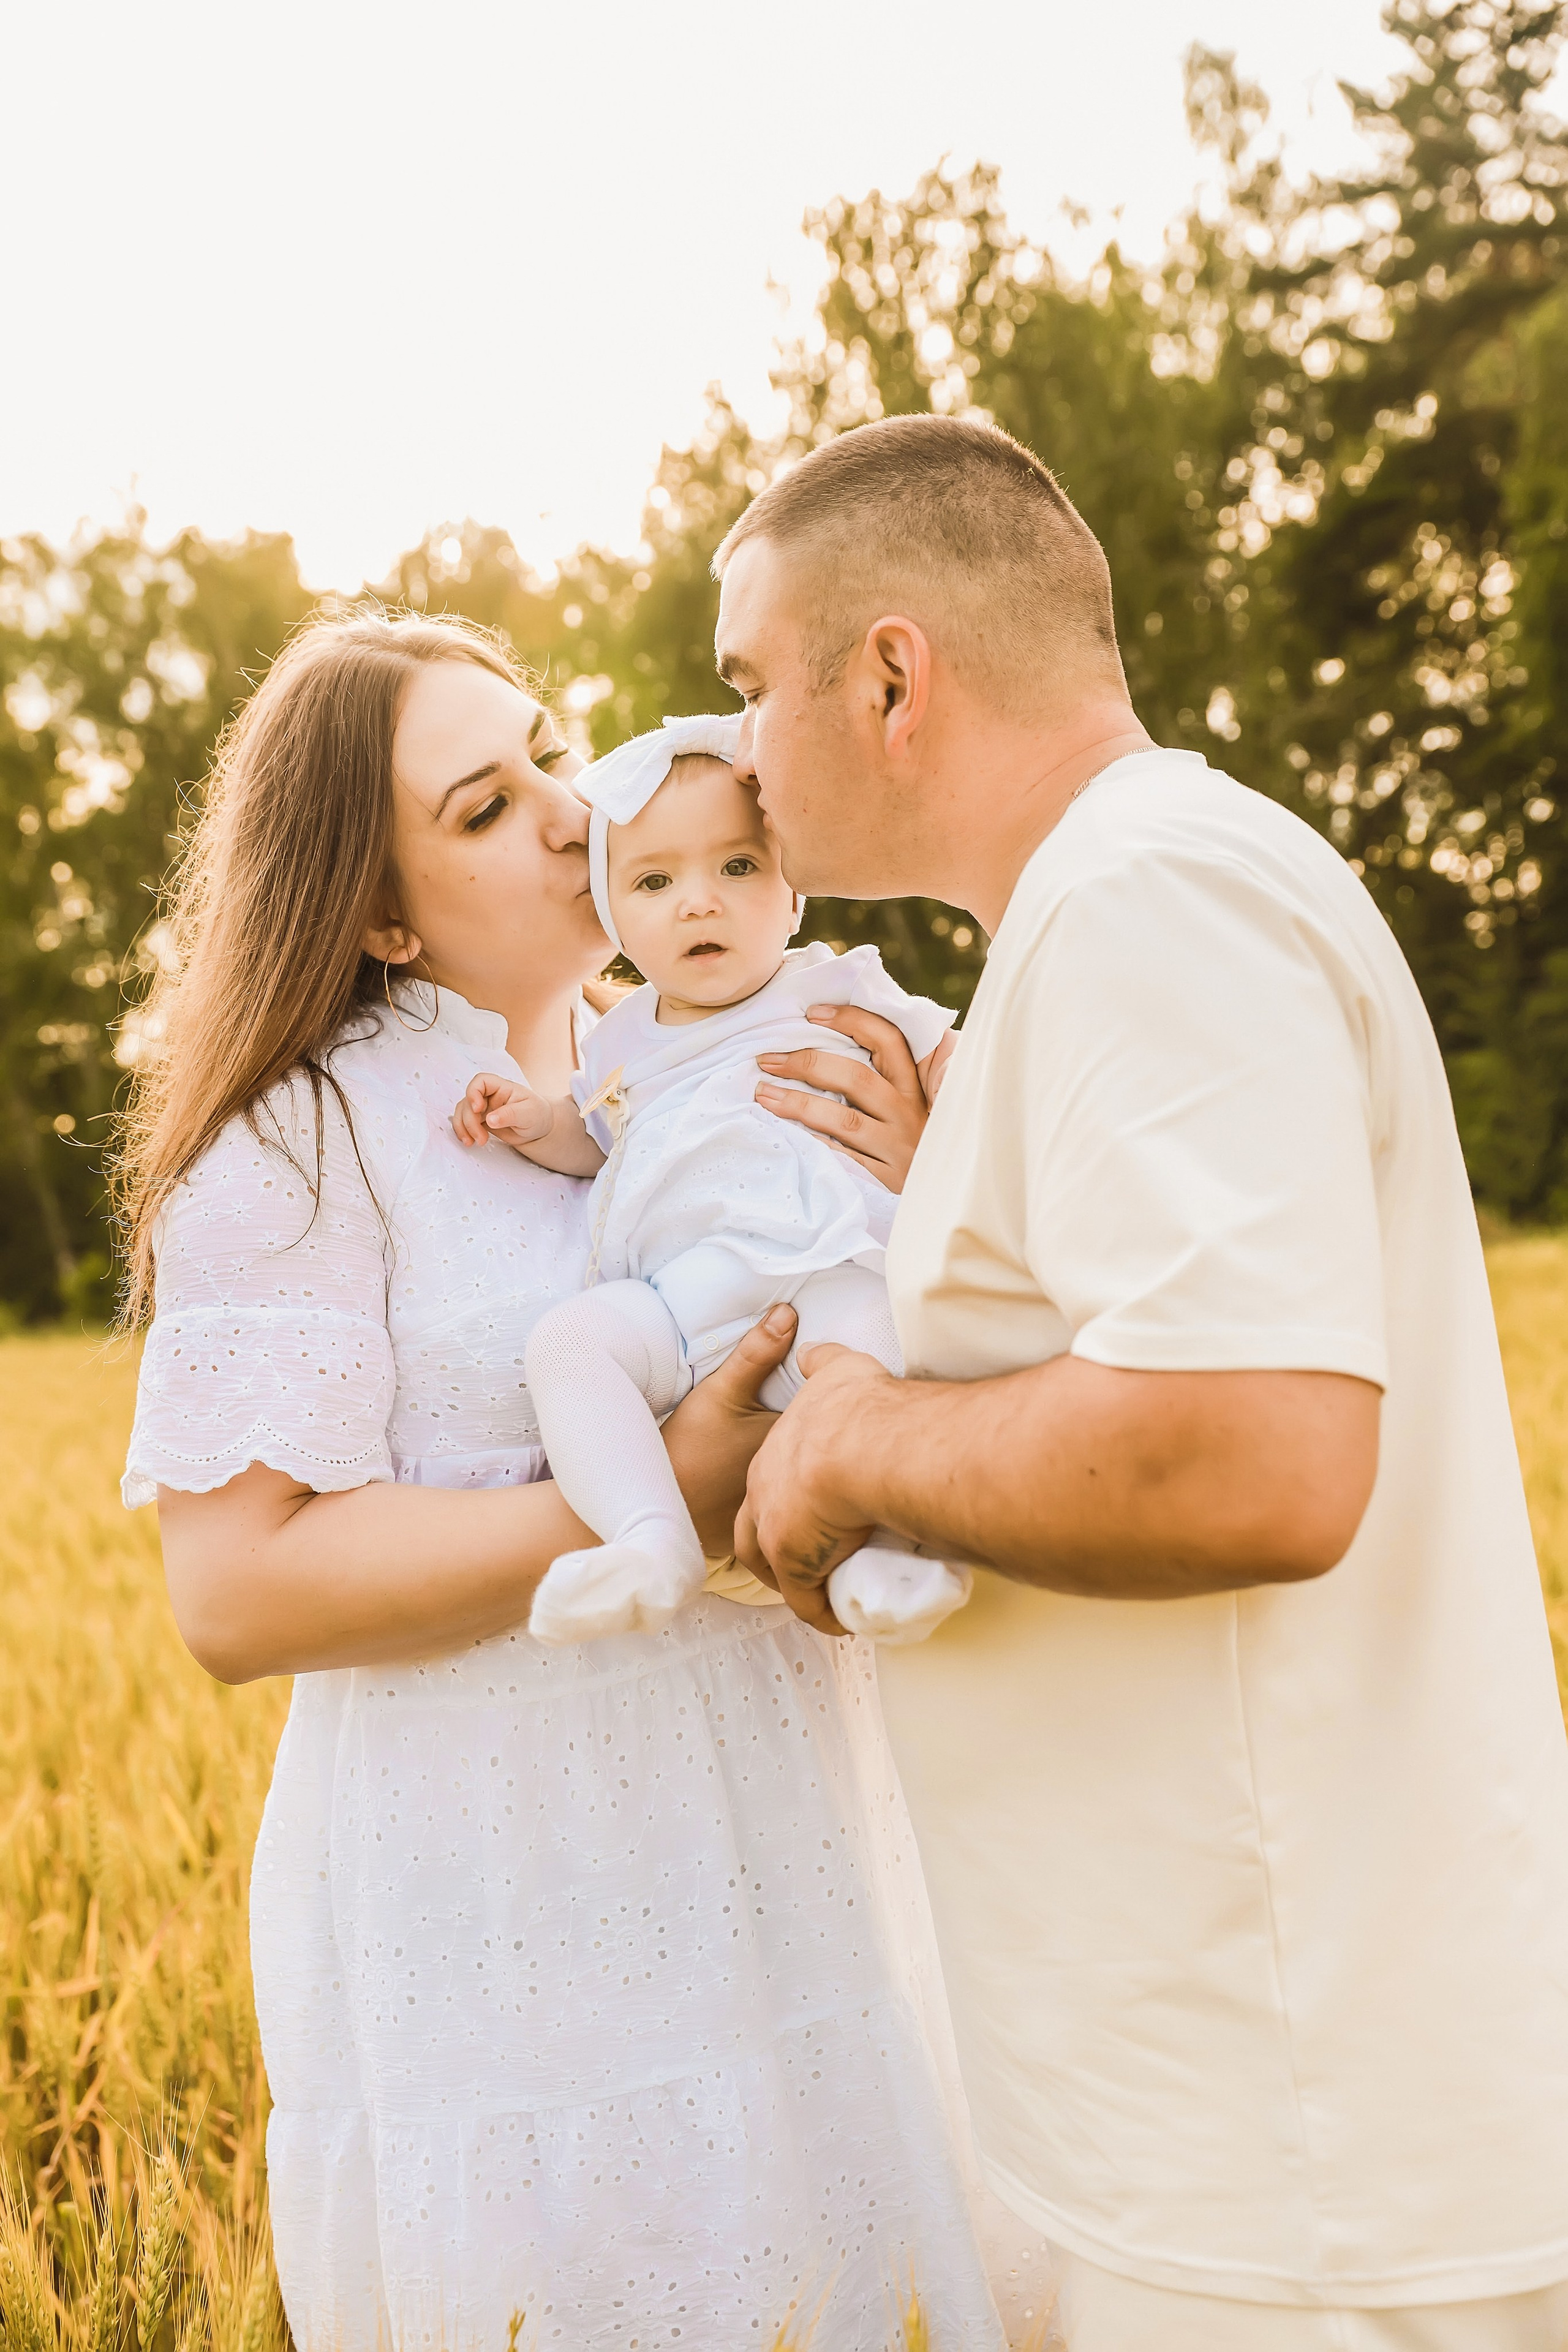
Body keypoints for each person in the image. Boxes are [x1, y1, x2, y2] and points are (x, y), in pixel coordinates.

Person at [716, 413, 1568, 2351]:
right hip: (1251, 2113)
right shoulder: (1121, 910)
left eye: (751, 685)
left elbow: (1252, 1455)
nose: (735, 753)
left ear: (894, 672)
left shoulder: (1140, 904)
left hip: (1289, 2160)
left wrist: (855, 1439)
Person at [114, 609, 1038, 2351]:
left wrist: (937, 1194)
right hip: (510, 1875)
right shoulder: (305, 1136)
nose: (563, 809)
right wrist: (661, 1502)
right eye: (482, 804)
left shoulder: (678, 1052)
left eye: (551, 750)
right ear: (378, 911)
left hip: (783, 1806)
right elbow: (234, 1595)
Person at [454, 709, 970, 1649]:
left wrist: (957, 1113)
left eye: (737, 867)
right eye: (655, 881)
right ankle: (649, 1540)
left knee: (867, 1376)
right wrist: (536, 1122)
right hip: (685, 1302)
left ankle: (895, 1552)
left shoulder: (836, 988)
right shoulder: (621, 1040)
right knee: (569, 1346)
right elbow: (595, 1135)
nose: (700, 901)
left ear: (792, 893)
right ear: (615, 918)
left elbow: (958, 1070)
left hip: (827, 1270)